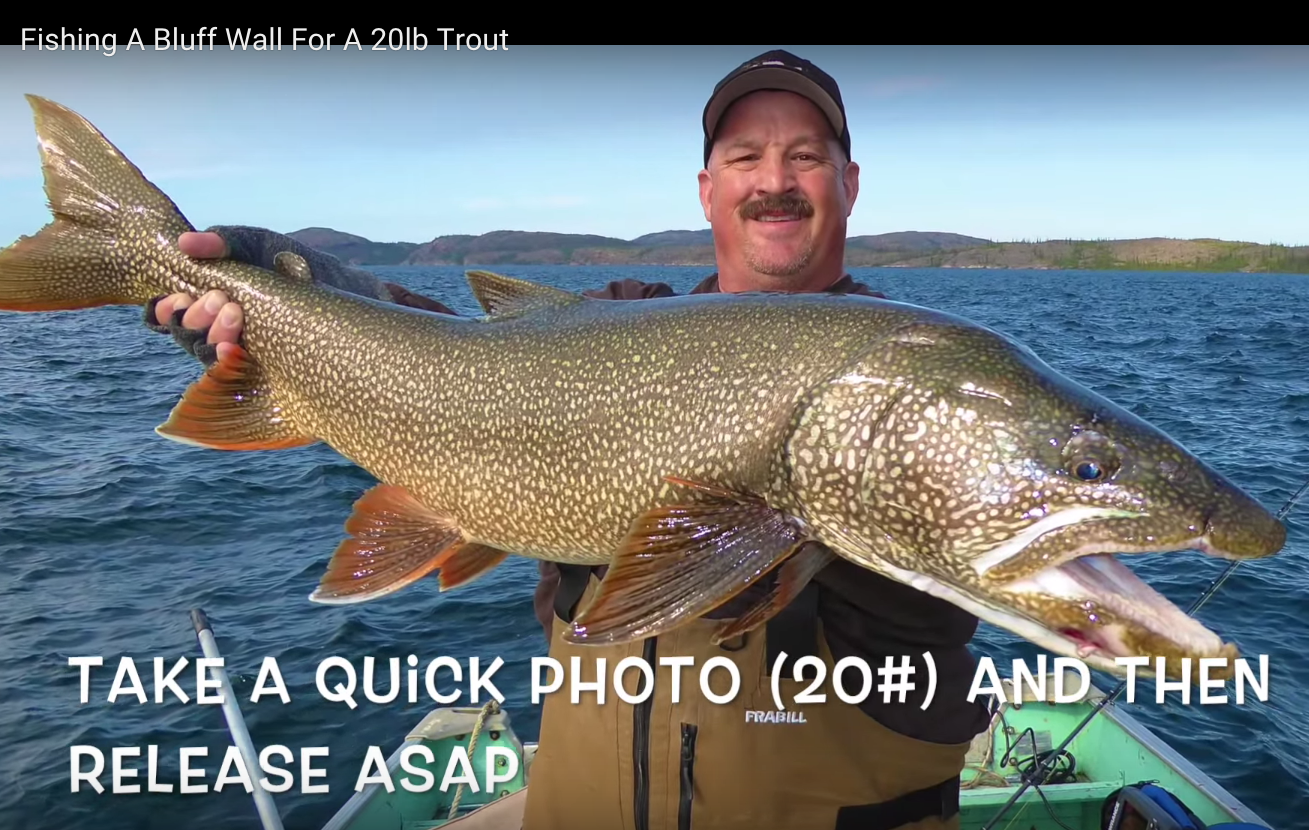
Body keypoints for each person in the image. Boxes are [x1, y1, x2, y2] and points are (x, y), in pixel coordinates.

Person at [146, 50, 992, 830]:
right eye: (744, 157)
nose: (774, 180)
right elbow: (450, 357)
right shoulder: (617, 318)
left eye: (804, 156)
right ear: (707, 189)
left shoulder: (931, 381)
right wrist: (290, 282)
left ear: (848, 182)